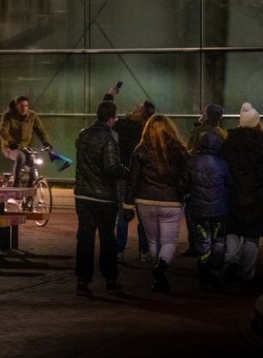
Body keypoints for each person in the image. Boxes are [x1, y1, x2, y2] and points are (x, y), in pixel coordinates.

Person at [121, 112, 189, 293]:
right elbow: (186, 177)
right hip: (172, 201)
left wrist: (128, 205)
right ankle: (162, 265)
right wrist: (181, 192)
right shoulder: (179, 150)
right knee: (169, 241)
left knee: (153, 240)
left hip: (145, 200)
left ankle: (158, 274)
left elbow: (133, 180)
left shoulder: (140, 150)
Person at [73, 96, 127, 296]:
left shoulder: (83, 135)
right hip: (105, 198)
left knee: (85, 238)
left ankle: (82, 280)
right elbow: (112, 167)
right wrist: (128, 172)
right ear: (111, 119)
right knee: (107, 238)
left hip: (83, 195)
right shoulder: (109, 139)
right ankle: (110, 279)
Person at [220, 101, 263, 285]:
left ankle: (231, 258)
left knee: (232, 229)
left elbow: (223, 164)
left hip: (233, 192)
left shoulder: (229, 140)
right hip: (255, 193)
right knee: (252, 235)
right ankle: (246, 273)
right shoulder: (262, 142)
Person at [186, 129, 231, 290]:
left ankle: (205, 276)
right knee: (219, 241)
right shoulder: (223, 163)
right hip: (219, 209)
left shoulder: (191, 162)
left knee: (202, 240)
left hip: (198, 209)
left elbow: (184, 184)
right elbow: (228, 184)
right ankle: (216, 272)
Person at [113, 99, 154, 262]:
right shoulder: (148, 130)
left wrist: (110, 95)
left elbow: (108, 116)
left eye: (138, 107)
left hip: (125, 176)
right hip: (142, 177)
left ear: (139, 112)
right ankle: (144, 251)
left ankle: (119, 250)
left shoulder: (124, 125)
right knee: (143, 216)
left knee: (123, 214)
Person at [183, 103, 227, 255]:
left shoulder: (199, 132)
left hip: (198, 175)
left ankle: (197, 245)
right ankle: (215, 246)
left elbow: (190, 151)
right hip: (216, 177)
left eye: (204, 112)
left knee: (194, 215)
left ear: (208, 116)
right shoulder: (223, 134)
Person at [0, 95, 52, 188]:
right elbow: (2, 131)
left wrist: (46, 142)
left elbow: (40, 130)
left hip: (26, 147)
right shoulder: (9, 116)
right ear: (16, 106)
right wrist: (10, 142)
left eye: (26, 106)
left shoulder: (32, 115)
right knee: (21, 157)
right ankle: (16, 185)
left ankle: (30, 189)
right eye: (21, 106)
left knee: (32, 160)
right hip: (10, 147)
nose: (24, 108)